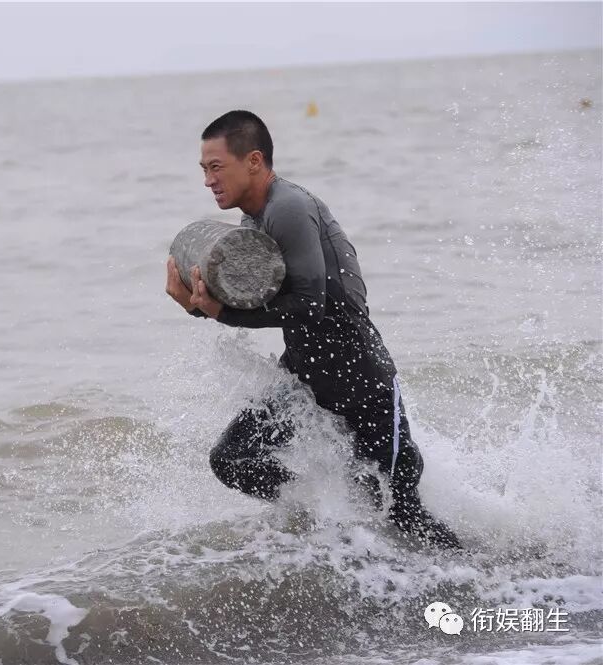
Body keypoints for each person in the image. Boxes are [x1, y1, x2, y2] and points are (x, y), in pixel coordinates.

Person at [165, 109, 462, 550]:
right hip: (304, 380)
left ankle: (489, 583)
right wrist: (194, 304)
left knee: (402, 509)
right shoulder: (252, 221)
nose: (208, 180)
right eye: (204, 170)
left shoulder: (289, 207)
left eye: (216, 167)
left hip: (362, 380)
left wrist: (217, 314)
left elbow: (309, 305)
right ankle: (327, 518)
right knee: (231, 460)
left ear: (253, 160)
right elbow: (251, 302)